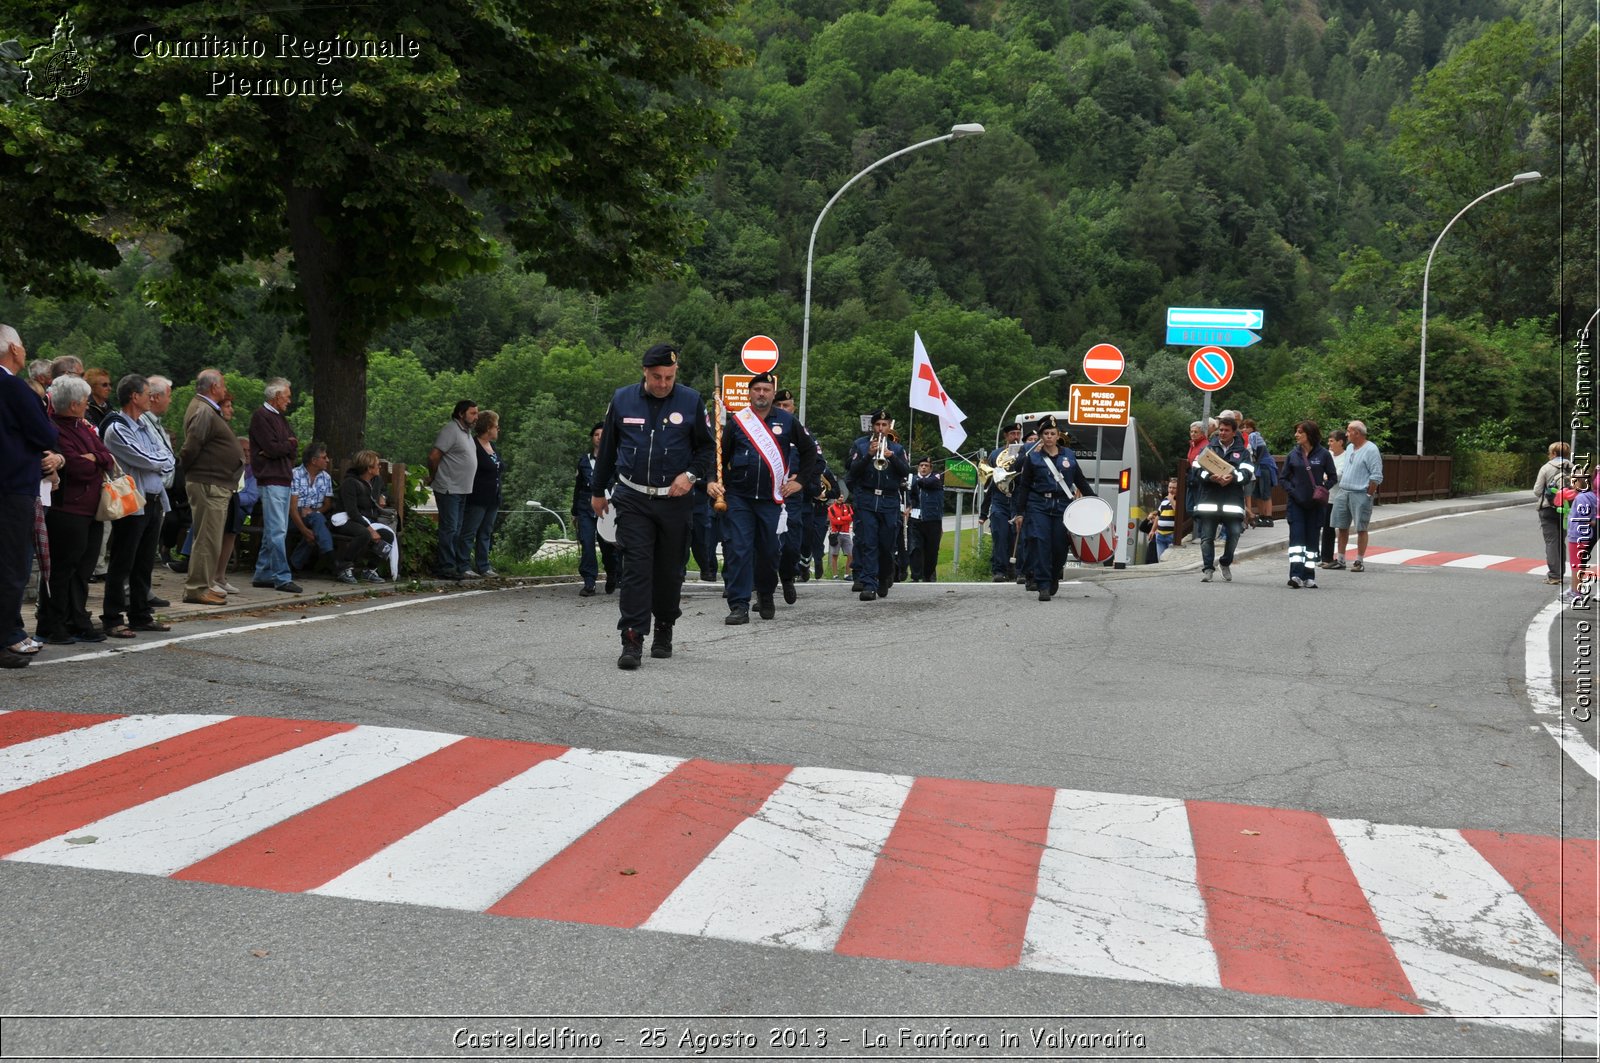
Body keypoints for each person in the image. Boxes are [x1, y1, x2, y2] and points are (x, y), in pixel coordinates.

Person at [591, 343, 714, 669]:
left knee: (669, 572)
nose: (663, 383)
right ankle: (631, 638)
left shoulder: (690, 400)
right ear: (645, 372)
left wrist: (690, 475)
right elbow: (607, 450)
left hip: (674, 501)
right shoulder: (622, 399)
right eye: (657, 377)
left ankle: (664, 626)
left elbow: (706, 450)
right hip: (632, 498)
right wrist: (597, 490)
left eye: (669, 377)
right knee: (635, 569)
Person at [706, 373, 816, 624]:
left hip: (771, 499)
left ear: (772, 393)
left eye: (766, 389)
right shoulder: (738, 422)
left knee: (769, 552)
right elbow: (719, 455)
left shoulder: (788, 422)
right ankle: (739, 604)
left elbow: (809, 452)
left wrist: (800, 482)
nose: (762, 394)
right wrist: (712, 480)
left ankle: (765, 594)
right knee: (738, 550)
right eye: (757, 389)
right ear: (749, 393)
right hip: (739, 498)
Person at [36, 376, 114, 643]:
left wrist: (94, 458)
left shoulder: (83, 426)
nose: (87, 405)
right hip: (68, 510)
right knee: (62, 570)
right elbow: (77, 468)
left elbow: (107, 457)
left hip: (91, 509)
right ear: (73, 404)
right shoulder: (55, 429)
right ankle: (52, 623)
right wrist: (93, 460)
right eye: (84, 401)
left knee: (82, 570)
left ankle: (77, 618)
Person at [0, 325, 61, 667]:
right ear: (13, 349)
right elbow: (44, 432)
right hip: (13, 486)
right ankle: (7, 637)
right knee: (12, 565)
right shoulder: (13, 387)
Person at [98, 374, 176, 636]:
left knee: (144, 562)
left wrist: (160, 460)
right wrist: (160, 461)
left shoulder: (143, 424)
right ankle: (112, 617)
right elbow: (147, 459)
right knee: (123, 560)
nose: (150, 398)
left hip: (154, 500)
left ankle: (140, 614)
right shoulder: (116, 428)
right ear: (135, 396)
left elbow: (168, 455)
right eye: (146, 393)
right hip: (133, 502)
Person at [179, 369, 246, 605]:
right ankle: (197, 588)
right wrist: (189, 470)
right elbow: (191, 445)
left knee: (210, 536)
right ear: (214, 387)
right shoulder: (204, 410)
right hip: (208, 482)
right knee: (207, 537)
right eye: (223, 385)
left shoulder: (207, 409)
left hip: (213, 481)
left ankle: (204, 584)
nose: (225, 389)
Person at [1011, 414, 1095, 601]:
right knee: (1041, 543)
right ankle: (1043, 584)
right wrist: (1020, 512)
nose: (1049, 436)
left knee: (1059, 546)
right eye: (1046, 433)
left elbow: (1080, 480)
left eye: (1052, 433)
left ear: (1058, 436)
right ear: (1041, 436)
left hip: (1062, 506)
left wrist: (1095, 502)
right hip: (1038, 505)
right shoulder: (1032, 458)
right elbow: (1024, 486)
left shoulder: (1069, 456)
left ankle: (1054, 574)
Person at [845, 410, 910, 602]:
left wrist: (891, 456)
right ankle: (869, 584)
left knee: (886, 543)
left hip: (889, 500)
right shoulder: (861, 445)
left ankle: (884, 576)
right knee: (868, 541)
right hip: (866, 498)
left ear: (889, 426)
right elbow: (852, 471)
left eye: (884, 425)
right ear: (872, 426)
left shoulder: (897, 449)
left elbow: (906, 471)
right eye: (877, 425)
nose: (881, 429)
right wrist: (868, 455)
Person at [248, 378, 302, 594]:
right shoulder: (261, 417)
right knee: (278, 530)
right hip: (271, 479)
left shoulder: (279, 418)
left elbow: (292, 445)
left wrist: (285, 446)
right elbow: (273, 448)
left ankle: (262, 573)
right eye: (287, 396)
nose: (289, 401)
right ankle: (282, 576)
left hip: (281, 477)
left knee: (275, 529)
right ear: (277, 396)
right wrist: (285, 446)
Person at [1190, 415, 1254, 583]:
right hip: (1209, 500)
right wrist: (1210, 477)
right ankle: (1208, 569)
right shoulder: (1208, 449)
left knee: (1234, 533)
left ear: (1234, 432)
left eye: (1226, 430)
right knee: (1207, 537)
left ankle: (1225, 562)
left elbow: (1247, 475)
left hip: (1231, 501)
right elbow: (1196, 471)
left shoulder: (1243, 453)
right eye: (1220, 430)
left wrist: (1231, 478)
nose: (1222, 433)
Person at [1280, 420, 1337, 589]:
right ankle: (1295, 575)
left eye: (1299, 432)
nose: (1296, 435)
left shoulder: (1324, 454)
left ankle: (1309, 576)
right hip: (1296, 504)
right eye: (1296, 431)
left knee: (1312, 541)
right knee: (1297, 540)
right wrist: (1292, 491)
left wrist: (1322, 488)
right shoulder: (1293, 454)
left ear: (1309, 434)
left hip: (1315, 505)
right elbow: (1283, 478)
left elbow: (1333, 477)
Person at [427, 399, 478, 581]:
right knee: (449, 529)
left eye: (476, 413)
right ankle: (446, 566)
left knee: (456, 528)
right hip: (449, 487)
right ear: (460, 413)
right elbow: (434, 456)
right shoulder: (451, 430)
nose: (476, 417)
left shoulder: (467, 433)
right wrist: (434, 476)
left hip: (462, 489)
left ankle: (453, 564)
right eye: (472, 413)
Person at [572, 422, 620, 596]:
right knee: (587, 543)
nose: (599, 437)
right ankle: (589, 581)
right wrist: (574, 511)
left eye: (603, 434)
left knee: (608, 545)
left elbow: (621, 483)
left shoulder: (614, 459)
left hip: (607, 507)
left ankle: (612, 574)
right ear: (592, 438)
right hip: (585, 506)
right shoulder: (584, 460)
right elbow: (578, 487)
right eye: (596, 434)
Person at [333, 450, 394, 584]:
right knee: (364, 534)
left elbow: (384, 490)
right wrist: (370, 529)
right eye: (377, 465)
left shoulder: (376, 480)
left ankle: (370, 570)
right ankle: (344, 566)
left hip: (369, 519)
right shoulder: (350, 483)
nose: (380, 467)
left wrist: (383, 496)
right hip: (347, 520)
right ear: (369, 469)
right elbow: (352, 512)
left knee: (388, 535)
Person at [1331, 419, 1384, 572]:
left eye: (1348, 431)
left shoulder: (1371, 449)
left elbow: (1376, 475)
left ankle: (1359, 561)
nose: (1346, 434)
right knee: (1341, 527)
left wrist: (1369, 494)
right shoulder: (1349, 448)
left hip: (1360, 493)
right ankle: (1340, 559)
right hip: (1344, 491)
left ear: (1357, 433)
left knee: (1361, 527)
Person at [460, 409, 503, 578]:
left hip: (493, 497)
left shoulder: (492, 447)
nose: (498, 430)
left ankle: (483, 565)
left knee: (486, 532)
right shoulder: (474, 445)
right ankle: (463, 564)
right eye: (496, 426)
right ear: (488, 427)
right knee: (470, 531)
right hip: (477, 497)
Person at [981, 422, 1022, 582]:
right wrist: (984, 512)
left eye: (1018, 434)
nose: (1016, 437)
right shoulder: (995, 454)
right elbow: (990, 483)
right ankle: (999, 570)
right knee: (1000, 535)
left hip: (1016, 499)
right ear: (1006, 436)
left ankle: (1015, 569)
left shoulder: (1025, 452)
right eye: (1012, 434)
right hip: (999, 500)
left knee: (1016, 537)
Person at [289, 442, 336, 573]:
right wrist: (304, 530)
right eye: (324, 457)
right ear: (314, 460)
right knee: (317, 524)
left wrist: (313, 511)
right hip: (293, 517)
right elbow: (292, 508)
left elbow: (327, 505)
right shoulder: (295, 475)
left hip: (314, 517)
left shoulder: (326, 477)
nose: (327, 460)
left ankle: (294, 565)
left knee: (316, 519)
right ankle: (331, 559)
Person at [1534, 442, 1575, 586]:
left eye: (1549, 452)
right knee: (1561, 541)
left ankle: (1554, 575)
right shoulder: (1574, 468)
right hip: (1566, 510)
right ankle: (1560, 573)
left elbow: (1537, 491)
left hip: (1548, 509)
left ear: (1554, 453)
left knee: (1551, 541)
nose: (1548, 455)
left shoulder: (1546, 468)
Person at [911, 456, 944, 582]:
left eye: (926, 466)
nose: (923, 467)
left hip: (933, 520)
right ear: (918, 467)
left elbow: (927, 483)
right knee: (915, 548)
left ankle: (928, 575)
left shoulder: (936, 479)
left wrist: (912, 481)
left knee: (932, 549)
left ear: (931, 468)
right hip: (915, 519)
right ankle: (915, 575)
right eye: (921, 465)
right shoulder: (913, 479)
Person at [1320, 429, 1347, 569]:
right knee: (1326, 527)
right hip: (1326, 496)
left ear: (1340, 442)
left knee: (1339, 527)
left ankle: (1340, 557)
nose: (1329, 444)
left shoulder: (1346, 456)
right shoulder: (1328, 455)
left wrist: (1328, 476)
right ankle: (1326, 557)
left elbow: (1340, 475)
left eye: (1332, 441)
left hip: (1339, 496)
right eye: (1329, 441)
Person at [827, 495, 853, 579]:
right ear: (835, 498)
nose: (840, 498)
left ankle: (847, 574)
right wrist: (845, 519)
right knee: (835, 555)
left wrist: (840, 518)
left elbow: (851, 517)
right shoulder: (831, 508)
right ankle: (835, 575)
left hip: (846, 534)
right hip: (836, 534)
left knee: (851, 554)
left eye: (841, 497)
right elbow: (834, 521)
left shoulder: (848, 507)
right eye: (838, 497)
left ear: (843, 498)